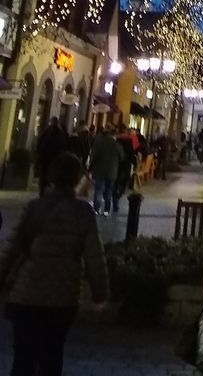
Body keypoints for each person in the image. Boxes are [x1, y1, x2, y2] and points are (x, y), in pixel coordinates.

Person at [0, 150, 109, 375]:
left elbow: (12, 249)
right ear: (77, 178)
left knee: (23, 359)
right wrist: (100, 293)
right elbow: (94, 257)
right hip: (62, 298)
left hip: (26, 294)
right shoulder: (83, 213)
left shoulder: (34, 208)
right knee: (52, 354)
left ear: (50, 177)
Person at [88, 124, 121, 216]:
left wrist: (90, 169)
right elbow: (122, 156)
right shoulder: (116, 145)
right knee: (108, 191)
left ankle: (96, 210)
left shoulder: (101, 144)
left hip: (99, 171)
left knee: (98, 190)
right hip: (111, 172)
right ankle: (106, 211)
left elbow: (95, 157)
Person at [35, 117, 68, 195]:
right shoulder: (60, 134)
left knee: (44, 176)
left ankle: (43, 191)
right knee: (52, 176)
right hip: (54, 159)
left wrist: (39, 155)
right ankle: (49, 191)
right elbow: (63, 147)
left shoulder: (46, 132)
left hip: (45, 158)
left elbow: (40, 144)